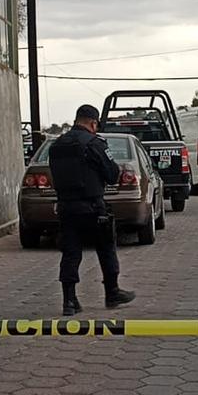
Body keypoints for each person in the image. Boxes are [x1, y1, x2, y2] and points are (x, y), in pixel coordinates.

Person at [49, 104, 135, 316]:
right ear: (92, 123)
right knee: (106, 248)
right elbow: (112, 173)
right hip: (93, 208)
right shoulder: (94, 144)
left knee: (70, 253)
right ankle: (112, 292)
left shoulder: (56, 146)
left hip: (67, 208)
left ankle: (69, 301)